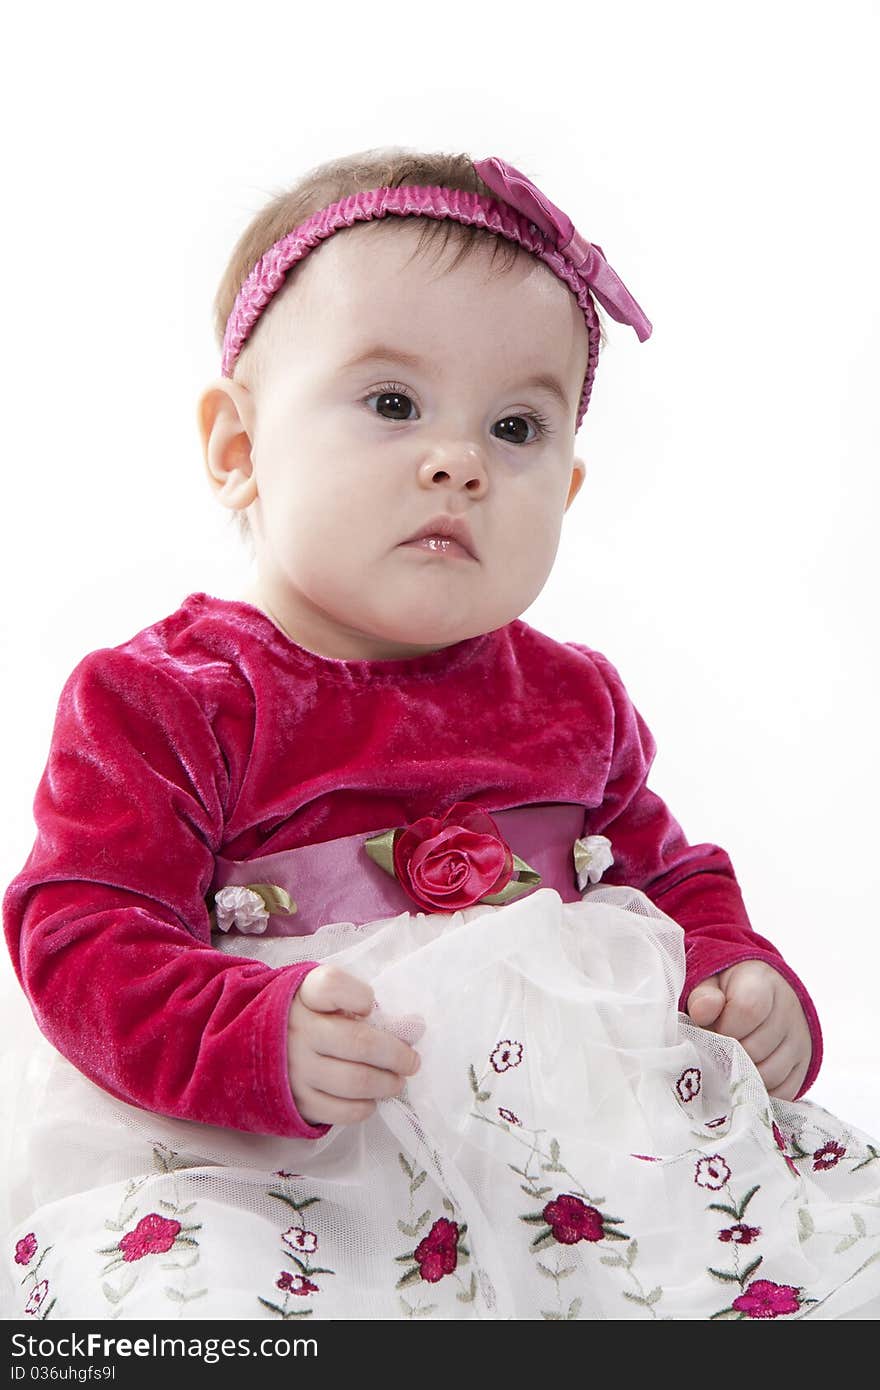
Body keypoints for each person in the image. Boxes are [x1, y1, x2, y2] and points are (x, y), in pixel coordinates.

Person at [2, 149, 878, 1322]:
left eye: (515, 425)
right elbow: (83, 931)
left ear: (565, 488)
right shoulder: (171, 695)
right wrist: (250, 1034)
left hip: (568, 1157)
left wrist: (738, 976)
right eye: (393, 403)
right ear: (236, 445)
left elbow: (668, 877)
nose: (457, 459)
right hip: (282, 1161)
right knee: (199, 1293)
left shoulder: (573, 700)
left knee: (795, 1252)